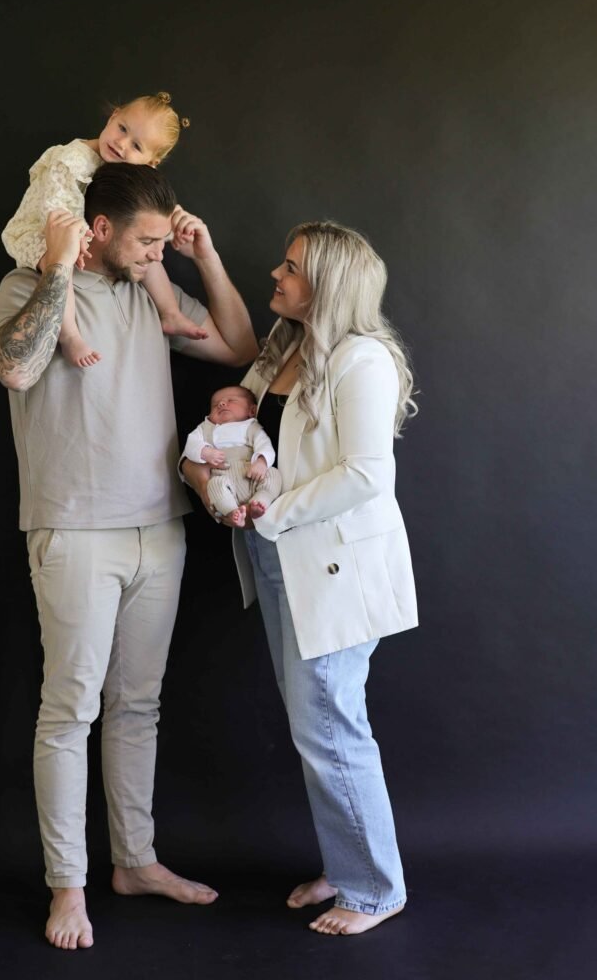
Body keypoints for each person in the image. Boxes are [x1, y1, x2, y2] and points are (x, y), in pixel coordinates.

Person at [0, 162, 258, 951]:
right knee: (69, 712)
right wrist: (57, 271)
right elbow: (14, 367)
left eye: (162, 243)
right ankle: (67, 887)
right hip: (74, 529)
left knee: (138, 706)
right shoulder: (25, 285)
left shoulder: (149, 290)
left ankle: (135, 862)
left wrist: (204, 256)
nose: (155, 255)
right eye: (146, 242)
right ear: (98, 228)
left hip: (159, 528)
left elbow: (239, 345)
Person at [183, 220, 418, 936]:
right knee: (314, 725)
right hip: (277, 557)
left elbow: (368, 474)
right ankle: (348, 865)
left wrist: (273, 512)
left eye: (291, 268)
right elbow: (242, 438)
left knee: (329, 728)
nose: (276, 275)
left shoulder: (362, 360)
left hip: (330, 565)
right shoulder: (283, 349)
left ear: (328, 285)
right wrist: (205, 481)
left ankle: (374, 889)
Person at [1, 91, 207, 368]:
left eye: (136, 146)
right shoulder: (70, 161)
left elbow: (146, 209)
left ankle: (170, 313)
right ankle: (70, 335)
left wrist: (172, 226)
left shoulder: (128, 172)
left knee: (147, 249)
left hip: (81, 228)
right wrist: (76, 242)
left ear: (150, 164)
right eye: (122, 128)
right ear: (113, 116)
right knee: (61, 267)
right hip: (44, 228)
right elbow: (57, 211)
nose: (121, 144)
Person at [182, 385, 282, 526]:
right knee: (214, 485)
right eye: (215, 405)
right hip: (223, 476)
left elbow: (265, 446)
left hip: (251, 474)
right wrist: (205, 452)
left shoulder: (252, 427)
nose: (222, 404)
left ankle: (260, 501)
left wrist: (261, 462)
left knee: (273, 474)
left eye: (231, 400)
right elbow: (190, 445)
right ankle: (232, 512)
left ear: (252, 410)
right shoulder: (205, 428)